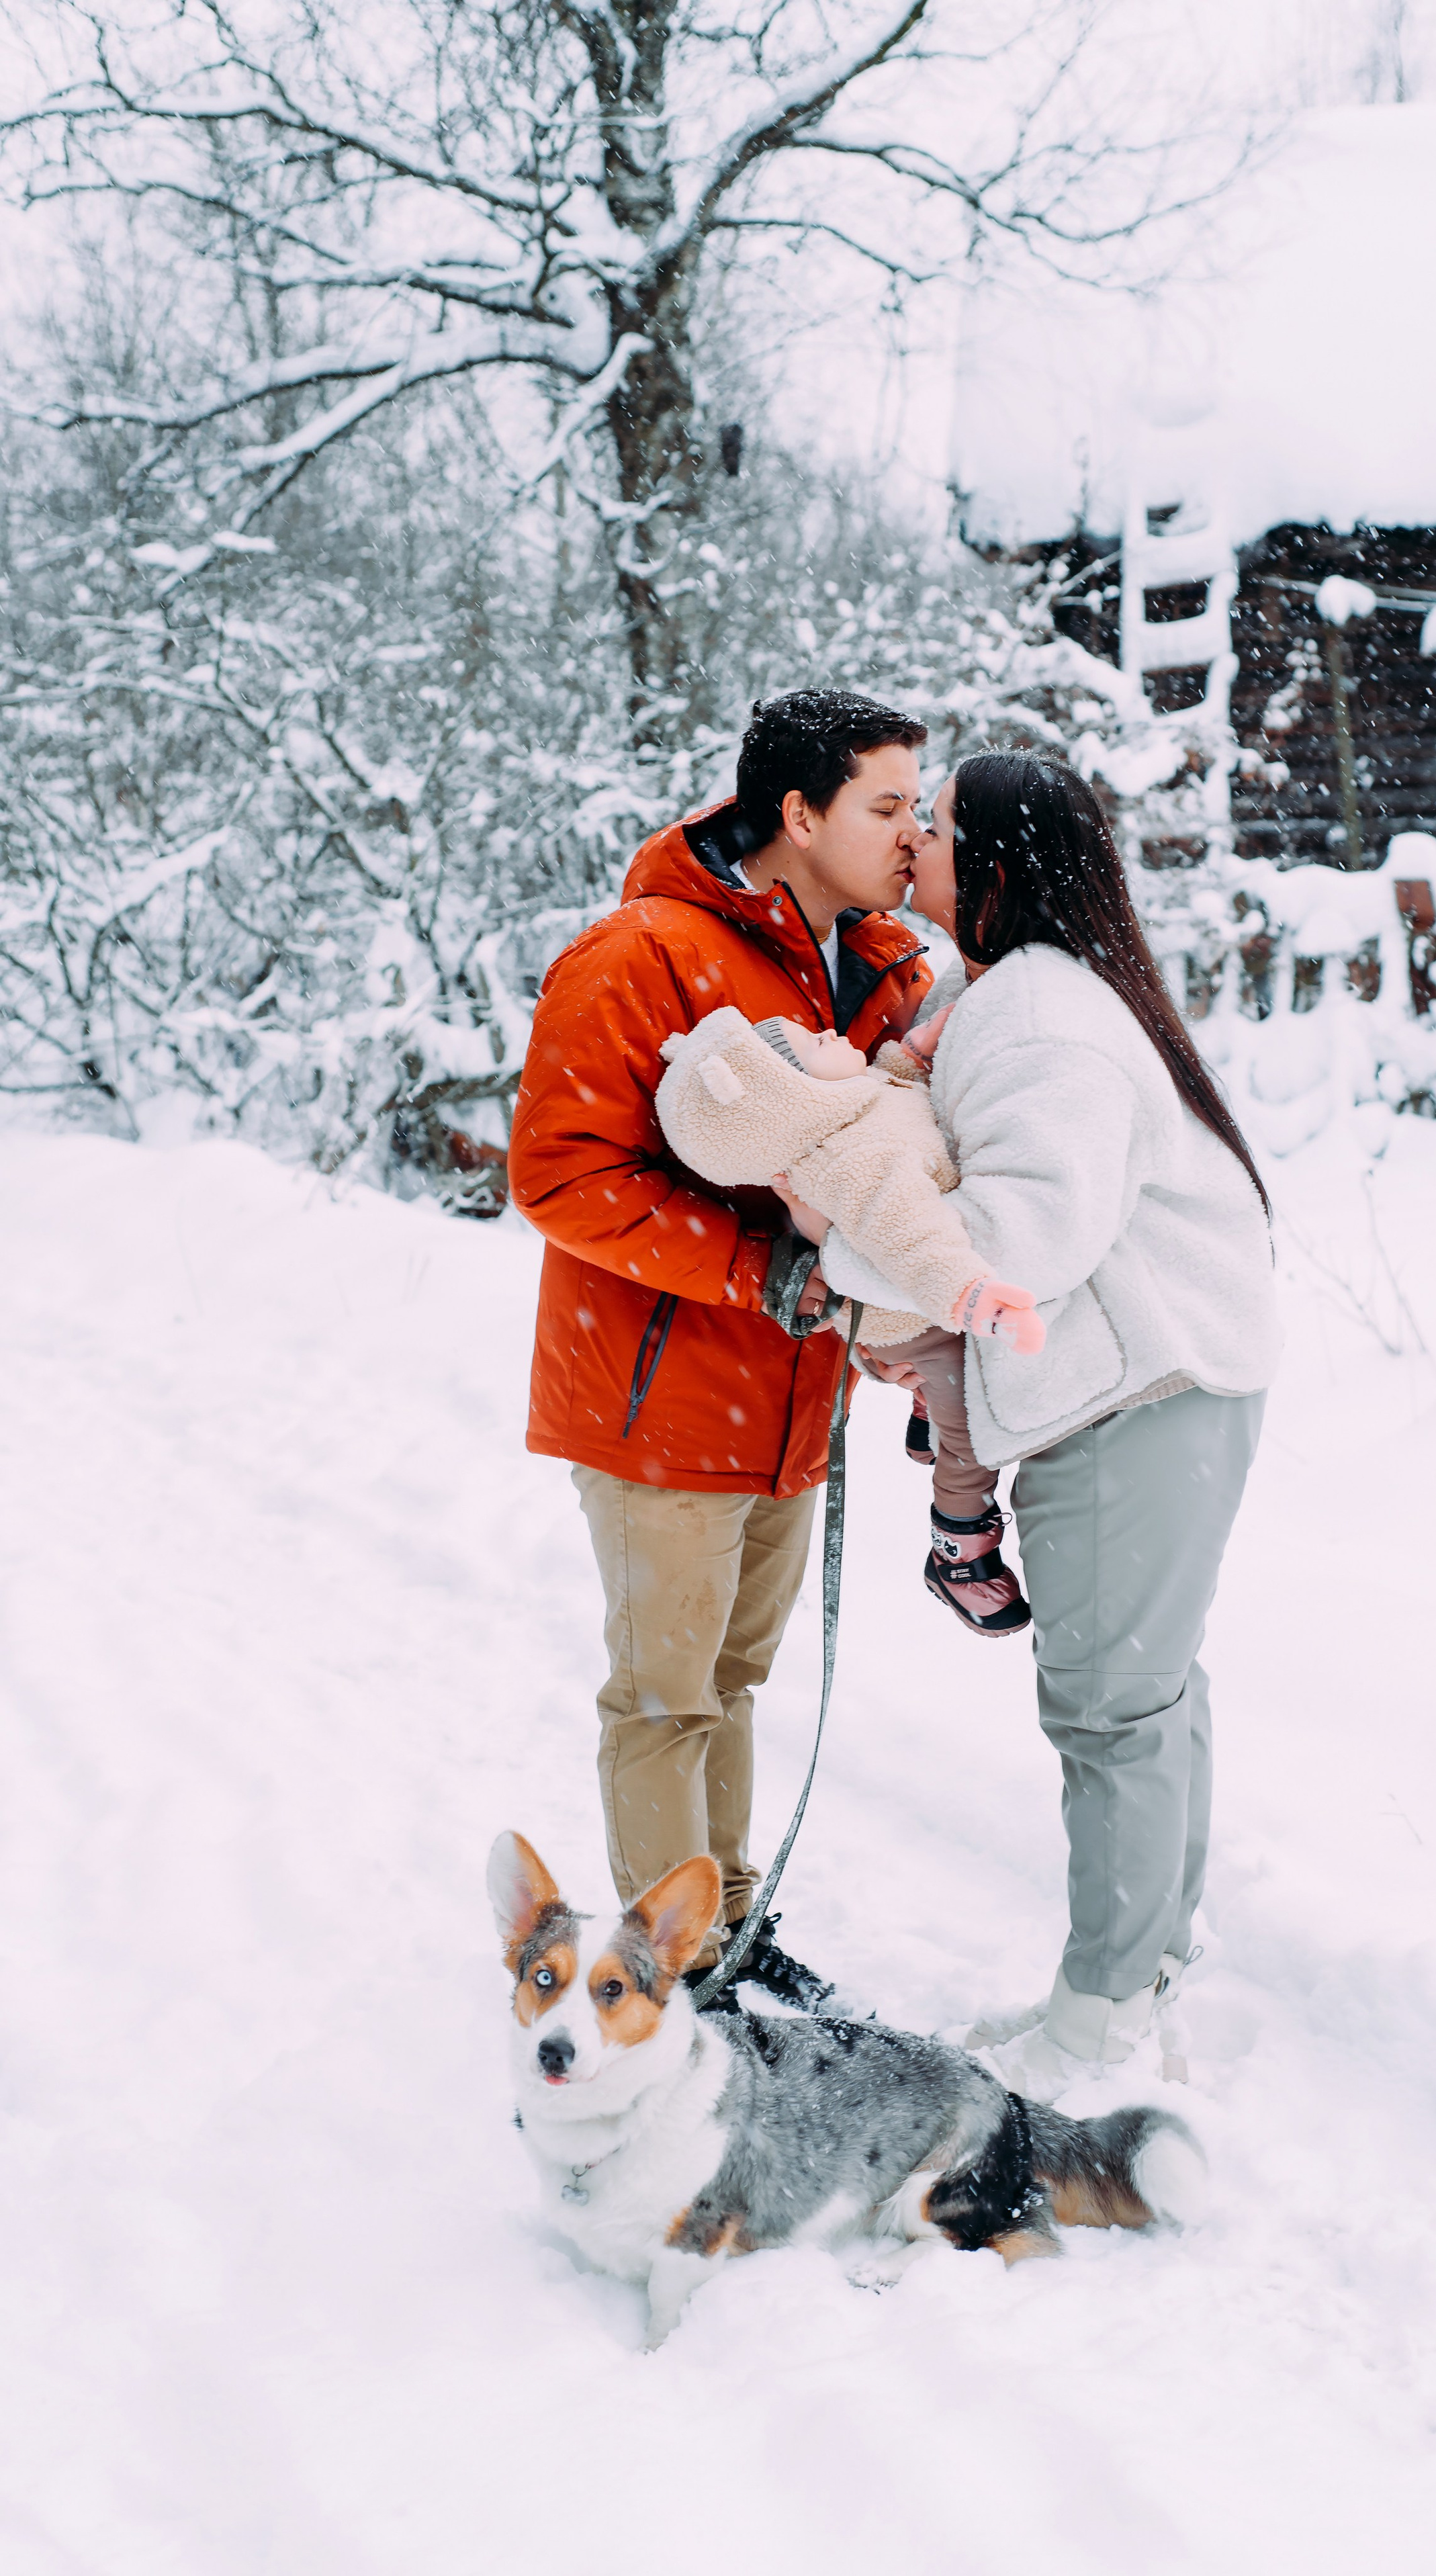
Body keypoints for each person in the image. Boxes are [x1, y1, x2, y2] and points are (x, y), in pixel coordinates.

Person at [844, 751, 1282, 2094]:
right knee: (1147, 1693)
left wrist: (841, 1254)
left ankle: (1097, 2018)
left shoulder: (1035, 1013)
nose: (912, 842)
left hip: (1136, 1398)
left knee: (1108, 1707)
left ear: (994, 862)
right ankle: (1140, 1969)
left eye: (936, 826)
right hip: (1168, 1383)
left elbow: (1019, 1237)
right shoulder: (1032, 993)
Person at [507, 691, 933, 2010]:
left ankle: (728, 1933)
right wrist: (758, 1270)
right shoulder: (640, 955)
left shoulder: (864, 969)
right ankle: (661, 1973)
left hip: (792, 1406)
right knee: (663, 1697)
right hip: (657, 1400)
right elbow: (558, 1174)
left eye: (918, 808)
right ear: (798, 817)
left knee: (732, 1684)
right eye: (884, 807)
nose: (912, 834)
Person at [652, 1000, 1044, 1637]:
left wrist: (912, 1054)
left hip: (912, 1297)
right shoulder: (847, 1158)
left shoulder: (855, 1105)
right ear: (789, 1095)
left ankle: (925, 1418)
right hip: (914, 1312)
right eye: (811, 1043)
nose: (831, 1032)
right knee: (973, 1422)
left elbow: (894, 1091)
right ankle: (959, 1543)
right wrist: (972, 1294)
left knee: (960, 1386)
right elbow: (910, 1238)